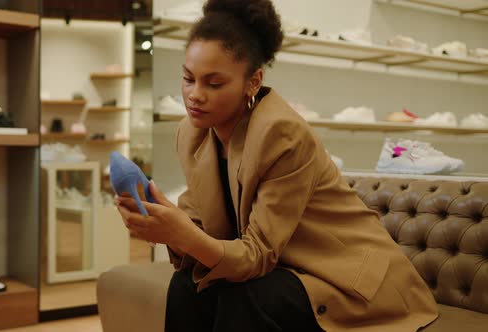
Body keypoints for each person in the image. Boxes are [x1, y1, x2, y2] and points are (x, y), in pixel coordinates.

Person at [115, 0, 438, 331]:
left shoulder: (281, 133)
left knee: (248, 296)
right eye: (188, 78)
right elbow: (202, 229)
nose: (194, 95)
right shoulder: (191, 133)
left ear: (253, 82)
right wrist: (166, 223)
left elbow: (256, 255)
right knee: (187, 284)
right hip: (283, 267)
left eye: (214, 84)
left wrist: (179, 231)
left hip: (344, 276)